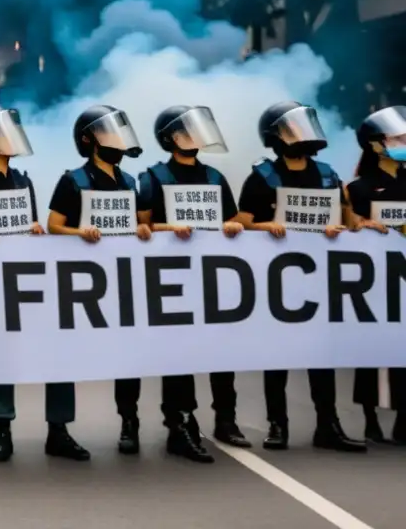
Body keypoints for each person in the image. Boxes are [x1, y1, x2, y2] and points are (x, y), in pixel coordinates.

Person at [0, 102, 89, 463]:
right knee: (4, 357)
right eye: (0, 130)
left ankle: (59, 429)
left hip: (29, 281)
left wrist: (35, 229)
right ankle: (2, 428)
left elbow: (29, 224)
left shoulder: (23, 180)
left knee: (56, 351)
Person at [235, 101, 365, 452]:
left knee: (320, 357)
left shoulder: (327, 174)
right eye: (292, 129)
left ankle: (328, 425)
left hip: (319, 279)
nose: (302, 135)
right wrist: (265, 226)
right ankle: (278, 425)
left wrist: (344, 225)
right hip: (276, 280)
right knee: (277, 357)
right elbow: (241, 221)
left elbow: (347, 219)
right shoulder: (263, 177)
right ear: (275, 138)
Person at [136, 106, 250, 463]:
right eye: (189, 130)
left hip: (212, 278)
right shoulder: (154, 177)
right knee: (179, 353)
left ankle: (225, 419)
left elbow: (232, 220)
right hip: (171, 281)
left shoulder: (215, 177)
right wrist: (168, 229)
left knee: (222, 351)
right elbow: (140, 227)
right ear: (171, 138)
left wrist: (233, 227)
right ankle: (179, 424)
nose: (198, 135)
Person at [47, 104, 151, 456]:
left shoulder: (130, 182)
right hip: (80, 286)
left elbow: (141, 224)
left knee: (127, 356)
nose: (117, 140)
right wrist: (79, 232)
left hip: (121, 283)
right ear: (89, 140)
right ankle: (57, 429)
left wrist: (142, 229)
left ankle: (129, 420)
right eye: (108, 133)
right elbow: (54, 226)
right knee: (65, 356)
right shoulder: (72, 180)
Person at [344, 105, 406, 443]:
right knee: (370, 352)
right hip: (372, 283)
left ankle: (402, 418)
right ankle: (369, 417)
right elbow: (343, 225)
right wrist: (361, 224)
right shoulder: (359, 189)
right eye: (399, 137)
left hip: (404, 282)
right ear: (376, 145)